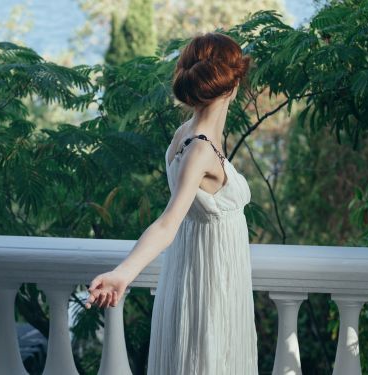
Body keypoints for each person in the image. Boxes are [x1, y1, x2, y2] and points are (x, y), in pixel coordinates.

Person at [85, 32, 258, 374]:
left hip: (195, 267)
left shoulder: (186, 133)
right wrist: (123, 274)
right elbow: (168, 222)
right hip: (211, 280)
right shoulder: (200, 149)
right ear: (233, 86)